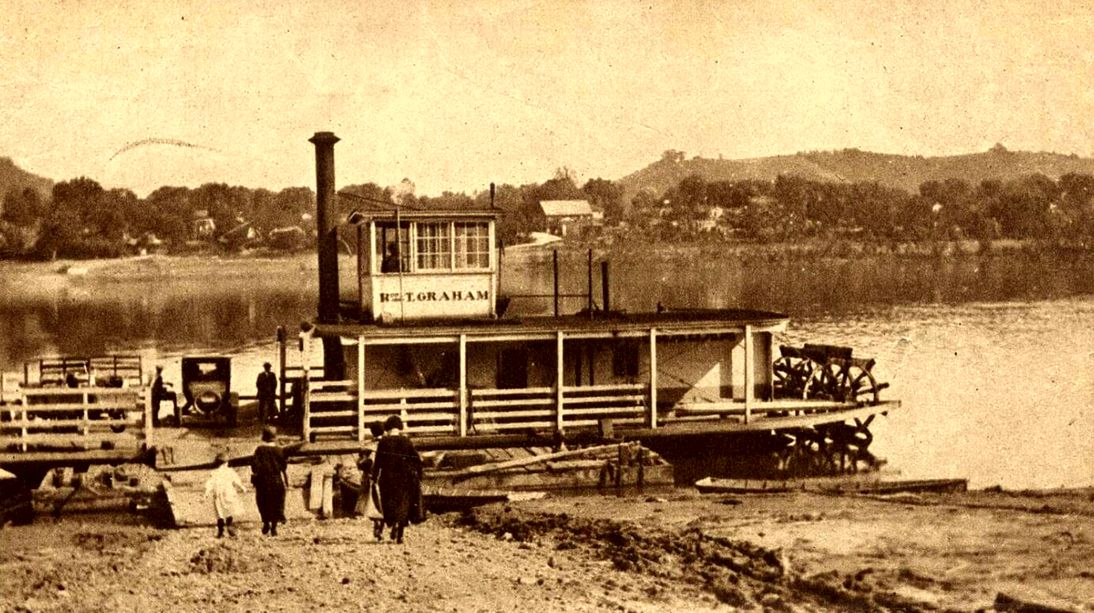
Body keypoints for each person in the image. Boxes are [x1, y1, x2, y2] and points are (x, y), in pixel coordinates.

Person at [370, 415, 422, 544]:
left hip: (387, 478)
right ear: (399, 427)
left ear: (388, 427)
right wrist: (419, 475)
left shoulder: (383, 442)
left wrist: (374, 477)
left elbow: (378, 462)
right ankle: (400, 532)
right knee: (403, 504)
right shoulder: (406, 441)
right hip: (405, 478)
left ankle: (392, 523)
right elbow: (417, 460)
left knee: (389, 503)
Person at [252, 426, 288, 536]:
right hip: (276, 479)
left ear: (264, 437)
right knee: (276, 502)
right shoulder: (279, 450)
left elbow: (254, 466)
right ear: (275, 438)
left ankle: (266, 523)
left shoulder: (259, 450)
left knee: (263, 503)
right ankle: (274, 527)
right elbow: (283, 466)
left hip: (262, 481)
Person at [204, 452, 246, 538]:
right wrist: (242, 487)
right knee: (229, 510)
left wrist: (206, 494)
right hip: (229, 493)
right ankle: (229, 526)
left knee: (220, 513)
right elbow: (236, 481)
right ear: (226, 463)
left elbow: (209, 484)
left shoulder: (214, 472)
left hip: (218, 494)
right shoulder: (230, 471)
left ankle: (221, 531)